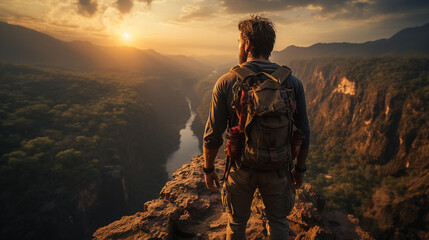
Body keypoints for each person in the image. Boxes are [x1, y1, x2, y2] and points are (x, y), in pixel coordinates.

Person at [202, 14, 310, 240]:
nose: (239, 46)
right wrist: (299, 170)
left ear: (247, 43)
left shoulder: (227, 81)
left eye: (239, 41)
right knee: (278, 221)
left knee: (237, 222)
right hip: (279, 168)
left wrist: (208, 169)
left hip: (241, 168)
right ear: (269, 46)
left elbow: (212, 135)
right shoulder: (292, 82)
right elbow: (304, 132)